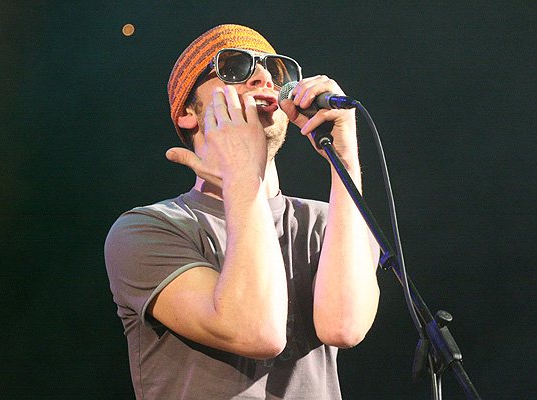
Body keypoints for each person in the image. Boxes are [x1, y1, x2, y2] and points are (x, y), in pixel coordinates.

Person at [105, 24, 380, 399]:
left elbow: (344, 327)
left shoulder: (327, 221)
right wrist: (241, 176)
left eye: (274, 70)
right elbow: (258, 331)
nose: (264, 78)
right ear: (187, 111)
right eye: (234, 67)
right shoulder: (145, 231)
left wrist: (345, 161)